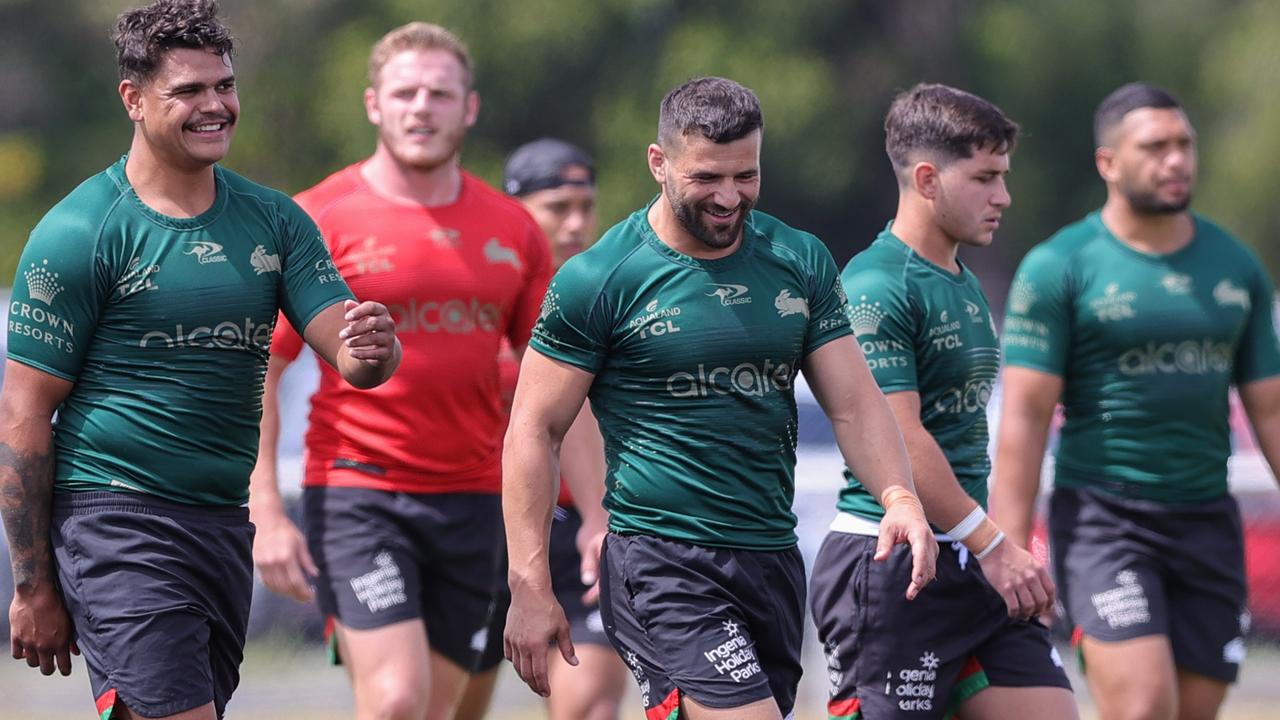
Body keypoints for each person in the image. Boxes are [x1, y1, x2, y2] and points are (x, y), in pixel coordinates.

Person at [0, 1, 400, 718]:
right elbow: (23, 414)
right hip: (115, 521)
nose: (215, 105)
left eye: (224, 85)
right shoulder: (81, 230)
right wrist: (32, 585)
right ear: (133, 98)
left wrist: (373, 346)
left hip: (220, 525)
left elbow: (348, 348)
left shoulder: (274, 219)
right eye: (188, 90)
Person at [502, 76, 938, 720]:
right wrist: (531, 583)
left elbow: (853, 402)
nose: (730, 197)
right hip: (660, 559)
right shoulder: (598, 278)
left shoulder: (799, 259)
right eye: (707, 177)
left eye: (746, 176)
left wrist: (899, 496)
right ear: (659, 163)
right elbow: (534, 430)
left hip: (771, 556)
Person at [246, 21, 551, 720]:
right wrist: (265, 510)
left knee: (438, 712)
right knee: (395, 702)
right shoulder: (316, 217)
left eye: (440, 94)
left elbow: (556, 391)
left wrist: (595, 515)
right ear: (373, 105)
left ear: (468, 108)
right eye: (405, 92)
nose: (422, 108)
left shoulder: (513, 229)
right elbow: (261, 370)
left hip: (475, 501)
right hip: (359, 492)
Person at [992, 82, 1280, 720]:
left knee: (1192, 712)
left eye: (1184, 145)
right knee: (1145, 706)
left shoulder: (1236, 266)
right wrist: (1007, 549)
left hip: (1208, 520)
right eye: (1155, 147)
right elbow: (1025, 418)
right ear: (1109, 163)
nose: (1175, 160)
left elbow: (1272, 410)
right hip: (1104, 522)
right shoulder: (1060, 265)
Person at [810, 83, 1076, 720]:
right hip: (894, 560)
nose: (1003, 197)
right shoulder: (877, 283)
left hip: (967, 555)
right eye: (985, 178)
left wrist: (987, 545)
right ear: (927, 179)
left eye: (1004, 177)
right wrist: (994, 544)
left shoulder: (959, 278)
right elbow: (898, 436)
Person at [495, 138, 629, 720]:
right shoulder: (489, 294)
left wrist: (602, 516)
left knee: (589, 707)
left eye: (586, 206)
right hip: (492, 521)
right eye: (556, 207)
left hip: (587, 524)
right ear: (514, 209)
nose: (575, 223)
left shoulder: (610, 290)